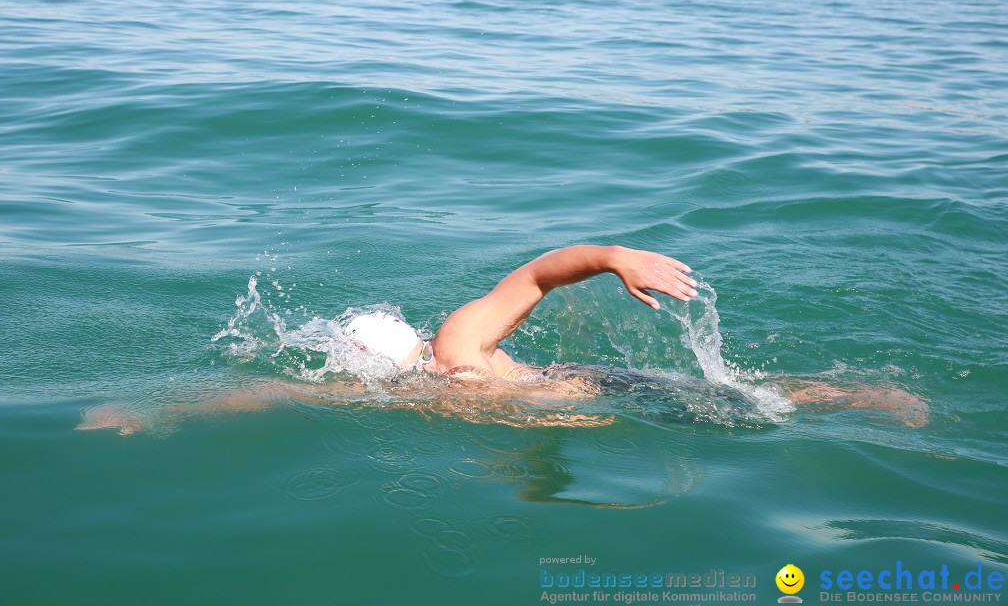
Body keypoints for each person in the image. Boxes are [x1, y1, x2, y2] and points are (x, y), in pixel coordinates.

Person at [78, 245, 928, 433]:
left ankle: (867, 393)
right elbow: (267, 390)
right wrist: (155, 413)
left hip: (596, 387)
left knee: (744, 399)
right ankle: (858, 391)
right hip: (563, 407)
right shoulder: (401, 385)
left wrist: (609, 258)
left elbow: (529, 279)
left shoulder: (454, 349)